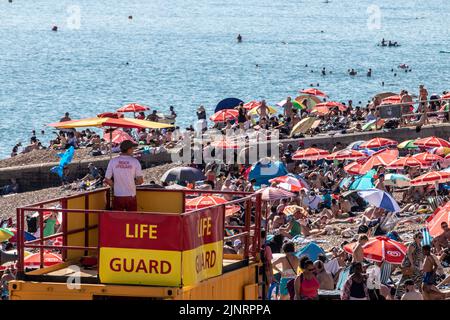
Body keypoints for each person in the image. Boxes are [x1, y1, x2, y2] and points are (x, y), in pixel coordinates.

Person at [104, 140, 144, 211]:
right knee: (131, 219)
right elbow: (140, 181)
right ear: (128, 149)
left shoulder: (113, 161)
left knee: (118, 219)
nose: (133, 150)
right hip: (131, 195)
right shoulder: (135, 161)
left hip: (118, 195)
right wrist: (133, 183)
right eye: (132, 148)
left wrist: (115, 185)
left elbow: (107, 179)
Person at [395, 232, 424, 299]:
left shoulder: (419, 245)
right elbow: (409, 253)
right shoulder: (413, 244)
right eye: (419, 237)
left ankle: (398, 295)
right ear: (415, 237)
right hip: (409, 265)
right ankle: (421, 294)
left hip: (415, 265)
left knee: (406, 280)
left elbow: (420, 257)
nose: (421, 239)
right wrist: (412, 264)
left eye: (422, 237)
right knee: (418, 278)